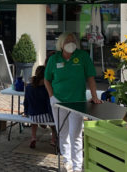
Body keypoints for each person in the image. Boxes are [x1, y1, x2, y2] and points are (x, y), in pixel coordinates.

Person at [44, 32, 102, 172]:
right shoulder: (54, 59)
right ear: (61, 44)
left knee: (75, 134)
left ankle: (77, 166)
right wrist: (52, 96)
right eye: (67, 41)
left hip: (77, 102)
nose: (71, 43)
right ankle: (67, 161)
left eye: (73, 41)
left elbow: (91, 78)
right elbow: (47, 79)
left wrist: (94, 96)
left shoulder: (82, 57)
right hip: (58, 102)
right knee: (62, 132)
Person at [24, 65, 56, 149]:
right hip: (45, 115)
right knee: (53, 124)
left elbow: (26, 102)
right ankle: (53, 139)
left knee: (35, 120)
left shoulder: (28, 87)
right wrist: (53, 117)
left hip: (32, 116)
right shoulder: (46, 88)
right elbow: (49, 105)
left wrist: (26, 112)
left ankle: (33, 137)